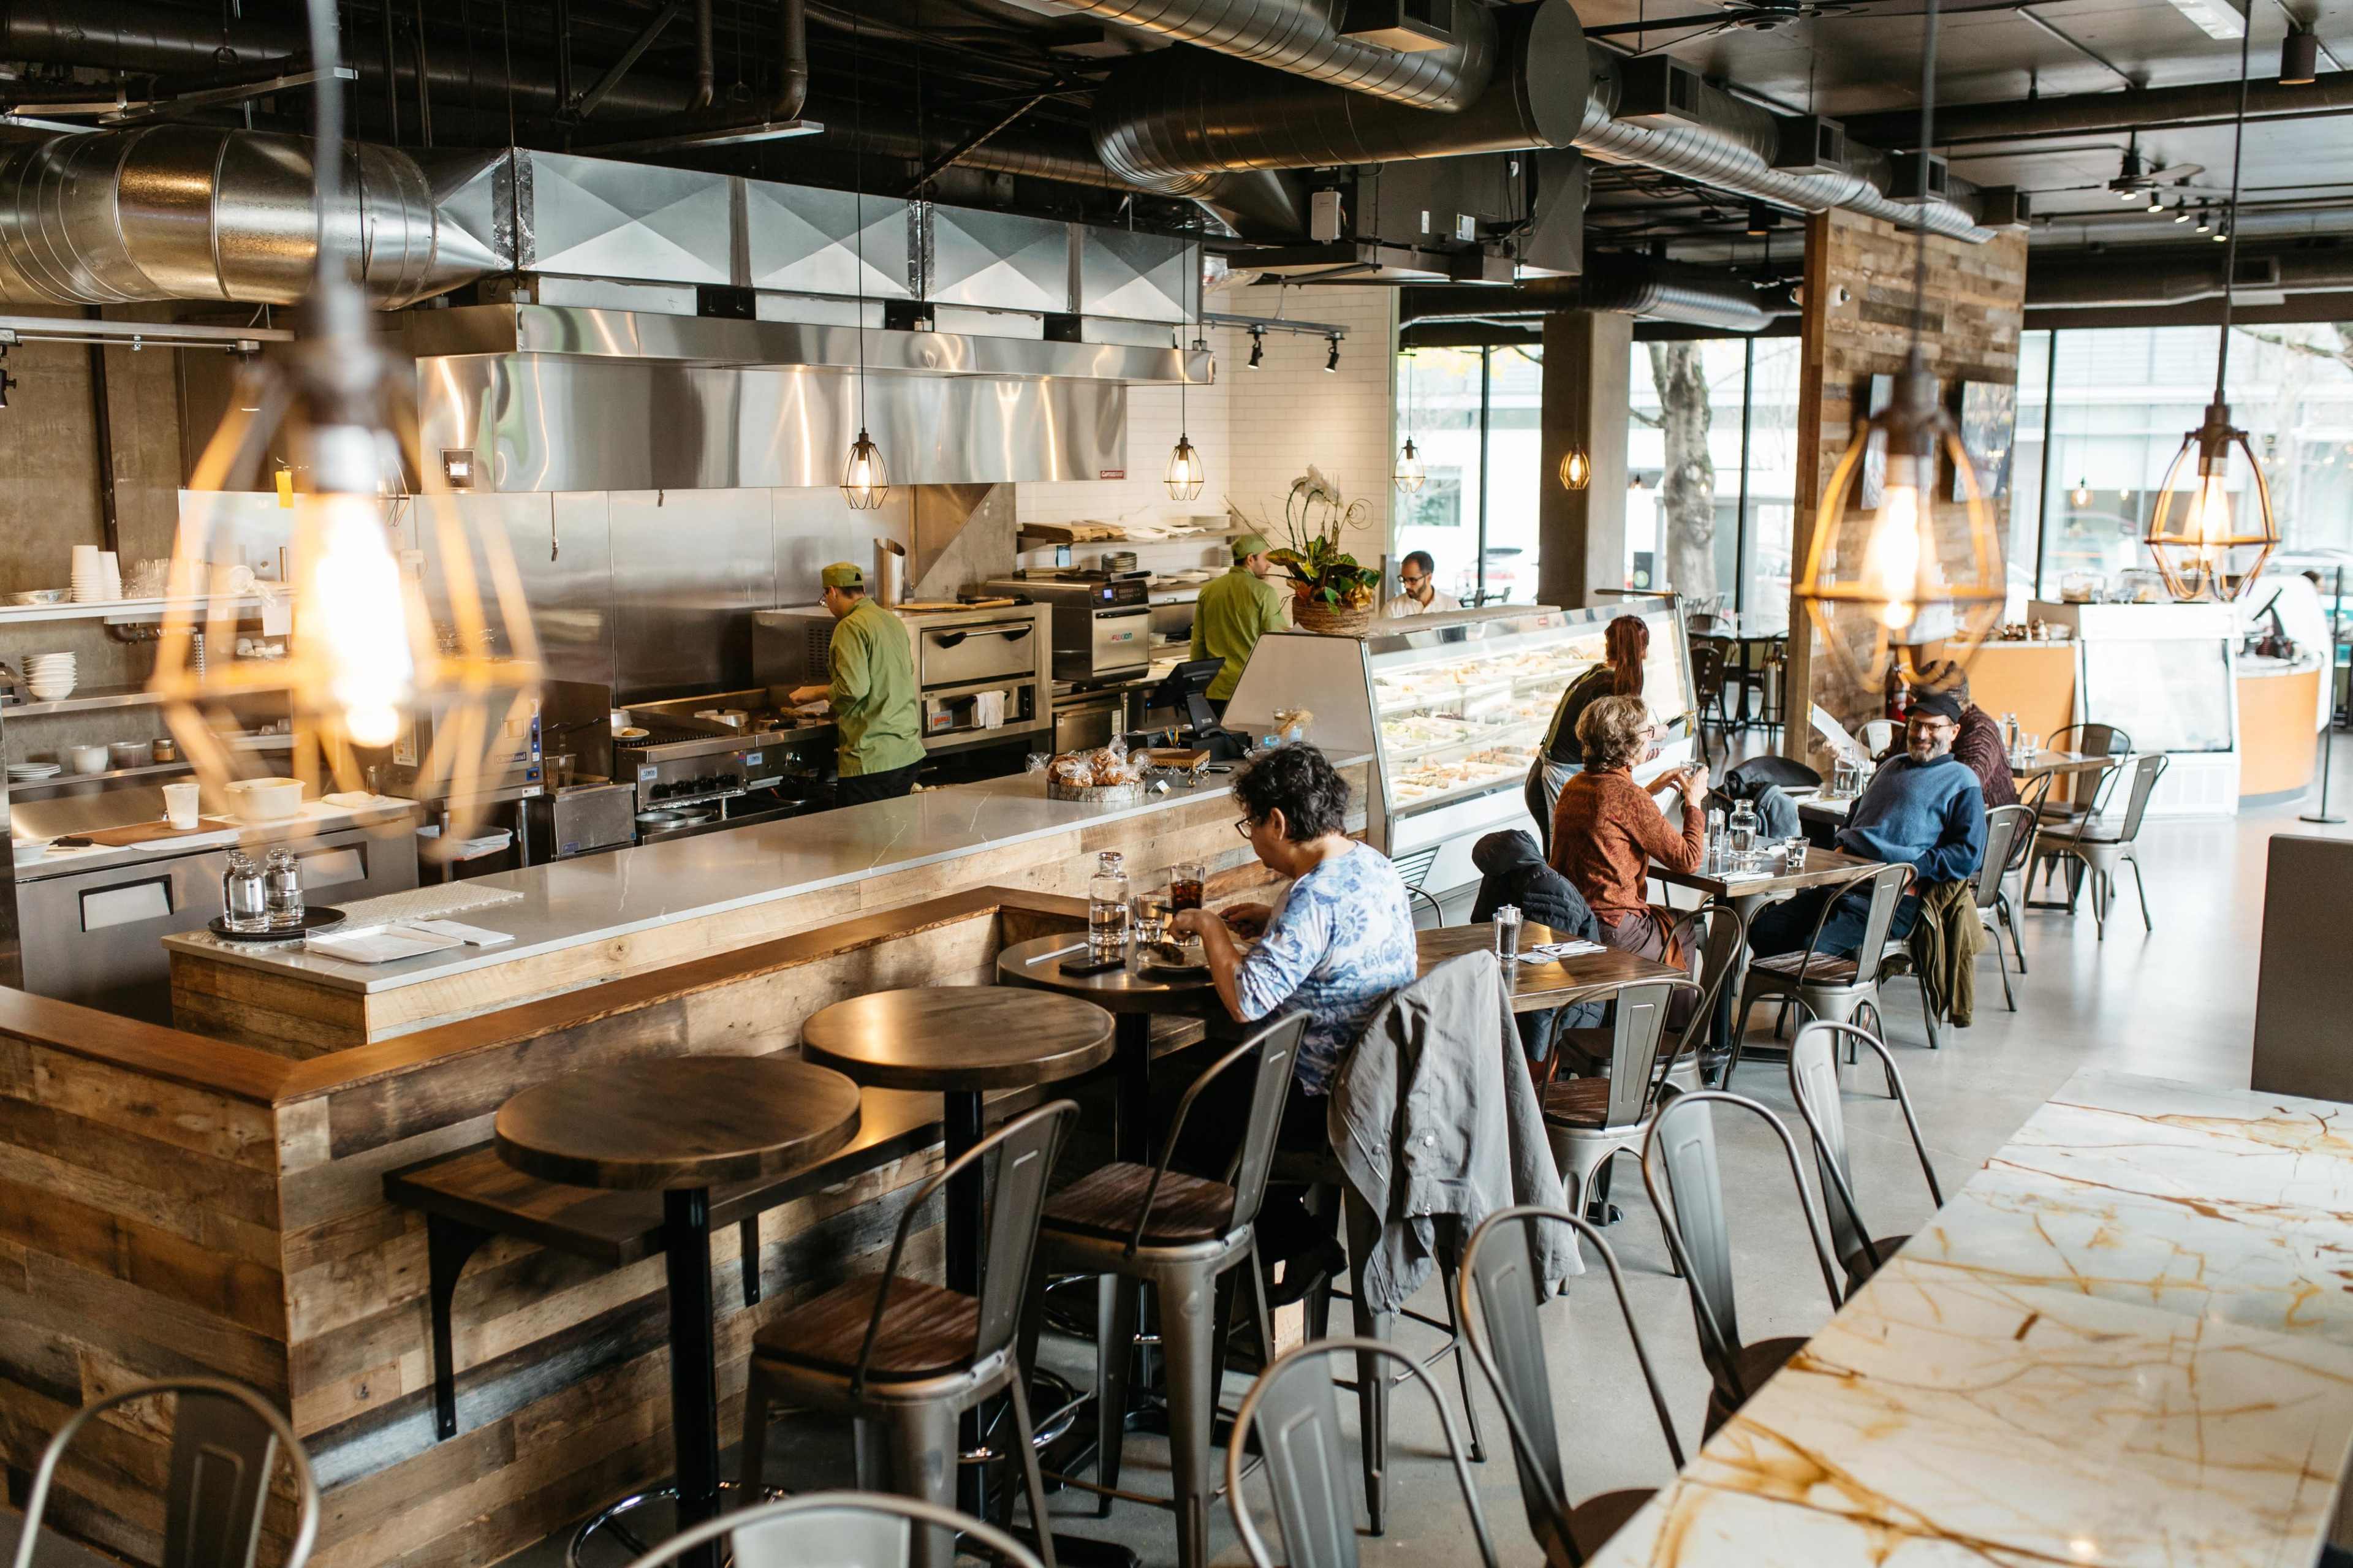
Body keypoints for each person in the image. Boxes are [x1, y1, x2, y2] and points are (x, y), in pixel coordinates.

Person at [1173, 743, 1415, 1292]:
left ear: (1277, 822)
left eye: (1250, 824)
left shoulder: (1313, 898)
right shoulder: (1373, 865)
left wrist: (1210, 927)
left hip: (1321, 1102)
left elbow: (1246, 1000)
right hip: (1380, 1083)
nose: (1253, 837)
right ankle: (1283, 1241)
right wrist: (1274, 918)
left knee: (1184, 1113)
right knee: (1214, 1099)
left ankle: (1223, 1278)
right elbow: (1332, 939)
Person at [1749, 689, 1986, 960]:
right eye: (1917, 725)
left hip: (1889, 899)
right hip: (1840, 884)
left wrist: (1916, 869)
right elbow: (1856, 809)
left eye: (1933, 728)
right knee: (1763, 930)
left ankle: (1829, 996)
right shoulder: (1891, 766)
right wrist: (1840, 843)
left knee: (1810, 950)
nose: (1921, 735)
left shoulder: (1961, 780)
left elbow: (1969, 854)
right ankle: (1793, 992)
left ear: (1953, 732)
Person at [1548, 695, 1708, 966]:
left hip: (1570, 920)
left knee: (1671, 921)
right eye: (1647, 732)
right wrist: (1694, 802)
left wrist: (1649, 791)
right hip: (1612, 927)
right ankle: (1674, 1008)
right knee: (1686, 927)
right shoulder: (1628, 796)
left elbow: (1608, 818)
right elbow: (1688, 860)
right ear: (1628, 744)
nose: (1651, 738)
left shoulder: (1574, 786)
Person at [786, 562, 924, 806]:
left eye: (825, 597)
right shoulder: (890, 620)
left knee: (862, 840)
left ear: (833, 591)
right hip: (906, 752)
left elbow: (853, 689)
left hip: (873, 757)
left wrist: (813, 693)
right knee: (894, 836)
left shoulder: (850, 626)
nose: (827, 603)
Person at [1470, 828, 1604, 1065]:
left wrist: (1534, 1059)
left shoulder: (1549, 889)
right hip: (1524, 985)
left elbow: (1546, 974)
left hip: (1574, 1001)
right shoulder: (1502, 878)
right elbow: (1479, 929)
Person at [1537, 615, 1651, 821]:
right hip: (1562, 775)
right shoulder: (1606, 687)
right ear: (1641, 651)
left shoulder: (1599, 674)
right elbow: (1607, 747)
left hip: (1557, 770)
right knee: (1566, 852)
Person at [1190, 532, 1290, 709]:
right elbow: (1276, 642)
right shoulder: (1264, 593)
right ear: (1250, 559)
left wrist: (1196, 686)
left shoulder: (1208, 590)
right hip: (1252, 688)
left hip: (1217, 689)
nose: (1269, 565)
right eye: (1266, 559)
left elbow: (1198, 642)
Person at [1908, 661, 2018, 809]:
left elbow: (1962, 789)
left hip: (1990, 823)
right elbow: (1889, 763)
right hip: (1933, 815)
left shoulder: (1980, 731)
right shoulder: (1921, 721)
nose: (1922, 733)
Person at [1383, 549, 1460, 618]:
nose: (1406, 586)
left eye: (1412, 580)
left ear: (1429, 578)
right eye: (1403, 579)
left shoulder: (1452, 607)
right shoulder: (1393, 609)